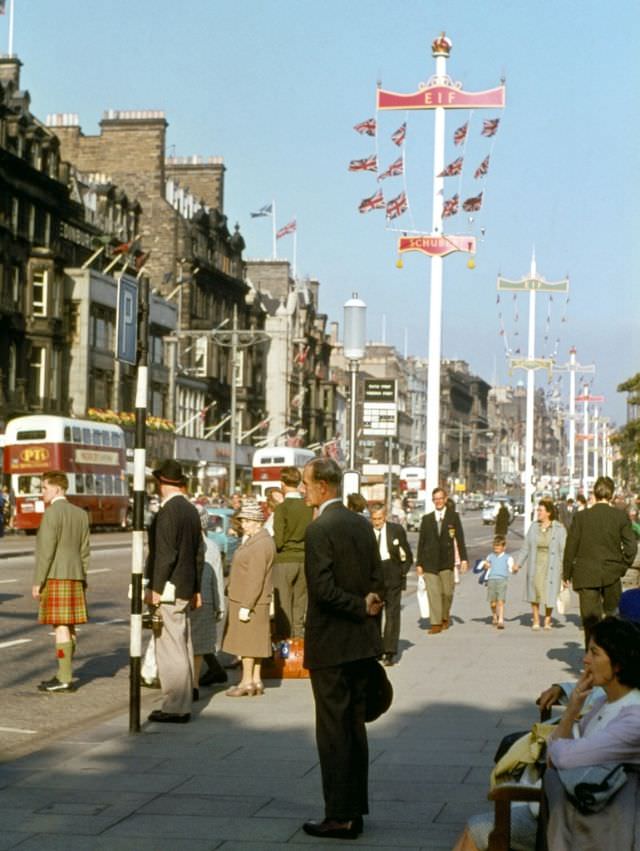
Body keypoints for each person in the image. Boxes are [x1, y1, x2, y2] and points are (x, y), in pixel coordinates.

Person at [301, 458, 384, 840]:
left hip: (332, 646)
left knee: (333, 734)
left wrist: (355, 605)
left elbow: (322, 590)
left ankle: (339, 815)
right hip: (361, 645)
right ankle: (355, 811)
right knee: (354, 730)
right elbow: (379, 581)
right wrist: (369, 605)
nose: (303, 491)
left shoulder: (320, 529)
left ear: (322, 487)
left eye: (305, 484)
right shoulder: (363, 525)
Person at [542, 617, 640, 850]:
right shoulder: (603, 703)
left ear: (618, 663)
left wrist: (556, 751)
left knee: (480, 829)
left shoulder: (634, 718)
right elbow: (555, 759)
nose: (585, 660)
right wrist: (573, 707)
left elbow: (562, 758)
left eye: (594, 653)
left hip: (606, 828)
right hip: (586, 818)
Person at [145, 459, 203, 724]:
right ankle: (184, 699)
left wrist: (155, 587)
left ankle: (175, 706)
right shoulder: (191, 510)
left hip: (169, 587)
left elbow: (165, 554)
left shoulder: (168, 512)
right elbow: (198, 553)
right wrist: (197, 588)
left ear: (162, 483)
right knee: (182, 641)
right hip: (185, 584)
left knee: (170, 646)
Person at [32, 471, 90, 693]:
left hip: (56, 575)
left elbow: (46, 551)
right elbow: (85, 551)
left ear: (56, 488)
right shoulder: (80, 514)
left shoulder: (52, 514)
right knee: (70, 626)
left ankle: (64, 677)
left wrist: (38, 581)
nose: (42, 492)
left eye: (44, 488)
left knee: (61, 627)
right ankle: (62, 672)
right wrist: (83, 576)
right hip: (75, 575)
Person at [562, 475, 637, 645]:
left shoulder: (581, 517)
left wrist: (566, 573)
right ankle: (610, 657)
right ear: (611, 495)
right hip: (612, 574)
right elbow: (631, 547)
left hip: (586, 575)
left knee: (590, 622)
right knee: (613, 618)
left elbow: (570, 547)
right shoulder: (620, 517)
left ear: (594, 493)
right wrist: (622, 566)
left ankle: (591, 654)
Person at [222, 497, 275, 696]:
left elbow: (256, 577)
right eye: (242, 520)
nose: (243, 525)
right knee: (256, 643)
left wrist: (246, 605)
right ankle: (255, 680)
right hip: (254, 600)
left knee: (246, 644)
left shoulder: (259, 544)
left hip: (248, 600)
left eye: (247, 521)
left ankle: (246, 682)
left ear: (258, 522)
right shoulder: (260, 540)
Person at [415, 486, 468, 634]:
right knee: (434, 593)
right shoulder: (426, 519)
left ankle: (445, 616)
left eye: (440, 498)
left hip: (446, 562)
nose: (438, 501)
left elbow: (460, 539)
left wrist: (464, 559)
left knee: (447, 593)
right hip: (429, 562)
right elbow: (421, 543)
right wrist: (419, 564)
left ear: (445, 499)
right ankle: (436, 623)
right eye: (435, 499)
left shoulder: (453, 517)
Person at [272, 466, 313, 640]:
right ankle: (299, 642)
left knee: (284, 605)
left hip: (284, 560)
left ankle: (285, 646)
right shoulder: (308, 506)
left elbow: (279, 540)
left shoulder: (282, 508)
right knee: (300, 604)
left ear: (282, 484)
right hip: (304, 560)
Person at [370, 503, 413, 665]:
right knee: (374, 614)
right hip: (374, 576)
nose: (376, 522)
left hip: (392, 573)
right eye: (374, 519)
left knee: (392, 614)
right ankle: (375, 649)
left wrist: (401, 572)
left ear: (385, 517)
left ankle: (389, 651)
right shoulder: (367, 532)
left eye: (379, 519)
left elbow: (407, 554)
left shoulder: (396, 530)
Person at [191, 506, 227, 697]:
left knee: (183, 643)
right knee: (200, 645)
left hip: (184, 597)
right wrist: (219, 606)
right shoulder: (212, 547)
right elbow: (217, 579)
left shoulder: (182, 544)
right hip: (205, 600)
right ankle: (194, 684)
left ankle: (184, 682)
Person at [515, 498, 567, 630]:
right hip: (535, 564)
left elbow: (563, 551)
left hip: (552, 565)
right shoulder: (533, 527)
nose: (538, 512)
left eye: (540, 510)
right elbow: (526, 547)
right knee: (535, 591)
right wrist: (518, 564)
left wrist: (565, 573)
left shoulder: (559, 529)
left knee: (550, 592)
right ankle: (536, 618)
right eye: (538, 510)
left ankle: (548, 619)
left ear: (548, 513)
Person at [481, 535, 517, 629]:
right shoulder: (490, 556)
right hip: (491, 580)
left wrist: (514, 569)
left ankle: (501, 620)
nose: (496, 548)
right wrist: (485, 566)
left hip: (502, 580)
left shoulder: (508, 558)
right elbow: (485, 565)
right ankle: (494, 616)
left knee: (500, 601)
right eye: (495, 546)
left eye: (498, 546)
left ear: (504, 547)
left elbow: (511, 569)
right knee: (493, 602)